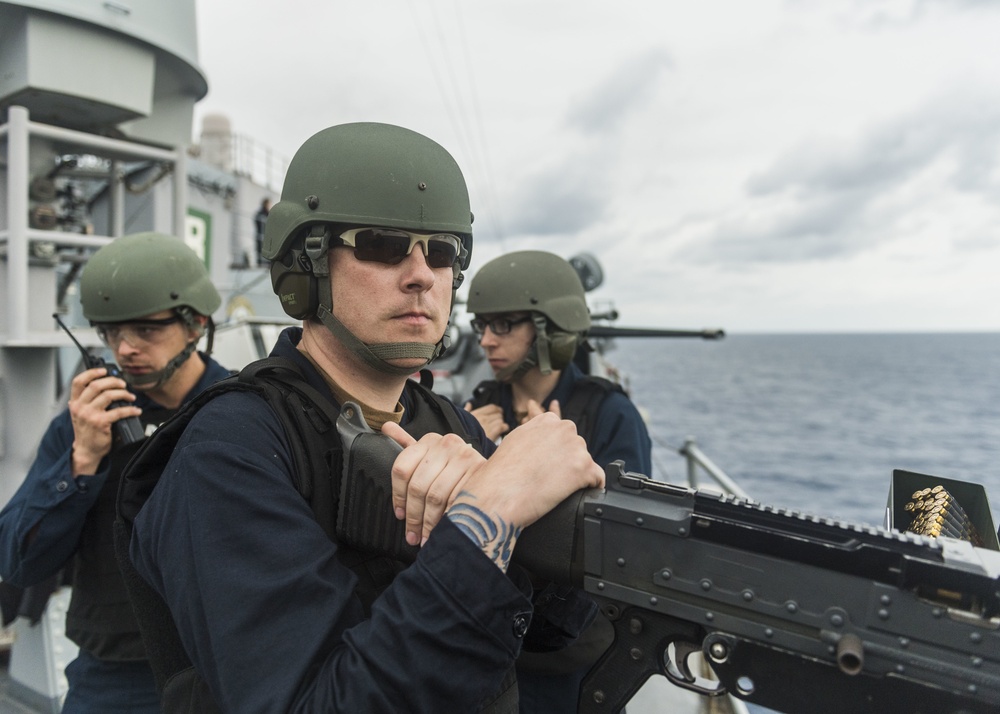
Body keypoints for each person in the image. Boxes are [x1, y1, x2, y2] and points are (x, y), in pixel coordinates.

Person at [123, 122, 605, 713]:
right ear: (306, 267)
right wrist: (488, 520)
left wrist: (569, 509)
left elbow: (552, 631)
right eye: (381, 244)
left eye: (443, 252)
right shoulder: (230, 449)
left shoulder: (448, 421)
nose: (422, 274)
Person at [0, 232, 230, 714]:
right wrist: (81, 462)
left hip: (228, 667)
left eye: (146, 331)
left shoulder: (243, 411)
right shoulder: (84, 423)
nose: (125, 350)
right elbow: (18, 561)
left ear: (195, 324)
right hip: (117, 677)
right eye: (110, 333)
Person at [464, 250, 653, 714]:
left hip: (569, 654)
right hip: (485, 639)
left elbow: (627, 546)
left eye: (504, 324)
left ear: (548, 330)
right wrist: (466, 446)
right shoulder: (480, 409)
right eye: (481, 325)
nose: (487, 340)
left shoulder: (609, 414)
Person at [254, 197, 271, 266]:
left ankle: (262, 262)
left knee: (263, 250)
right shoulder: (262, 213)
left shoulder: (265, 213)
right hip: (263, 235)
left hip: (265, 236)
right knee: (261, 249)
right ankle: (261, 262)